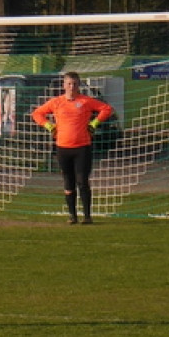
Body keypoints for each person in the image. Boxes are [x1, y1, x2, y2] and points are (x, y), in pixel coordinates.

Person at [31, 71, 114, 224]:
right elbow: (37, 113)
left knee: (82, 180)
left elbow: (107, 109)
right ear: (64, 85)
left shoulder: (86, 101)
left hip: (82, 147)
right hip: (62, 147)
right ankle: (72, 216)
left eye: (75, 84)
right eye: (69, 83)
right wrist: (49, 125)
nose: (72, 87)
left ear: (79, 85)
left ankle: (87, 216)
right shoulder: (56, 102)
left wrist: (94, 123)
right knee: (68, 181)